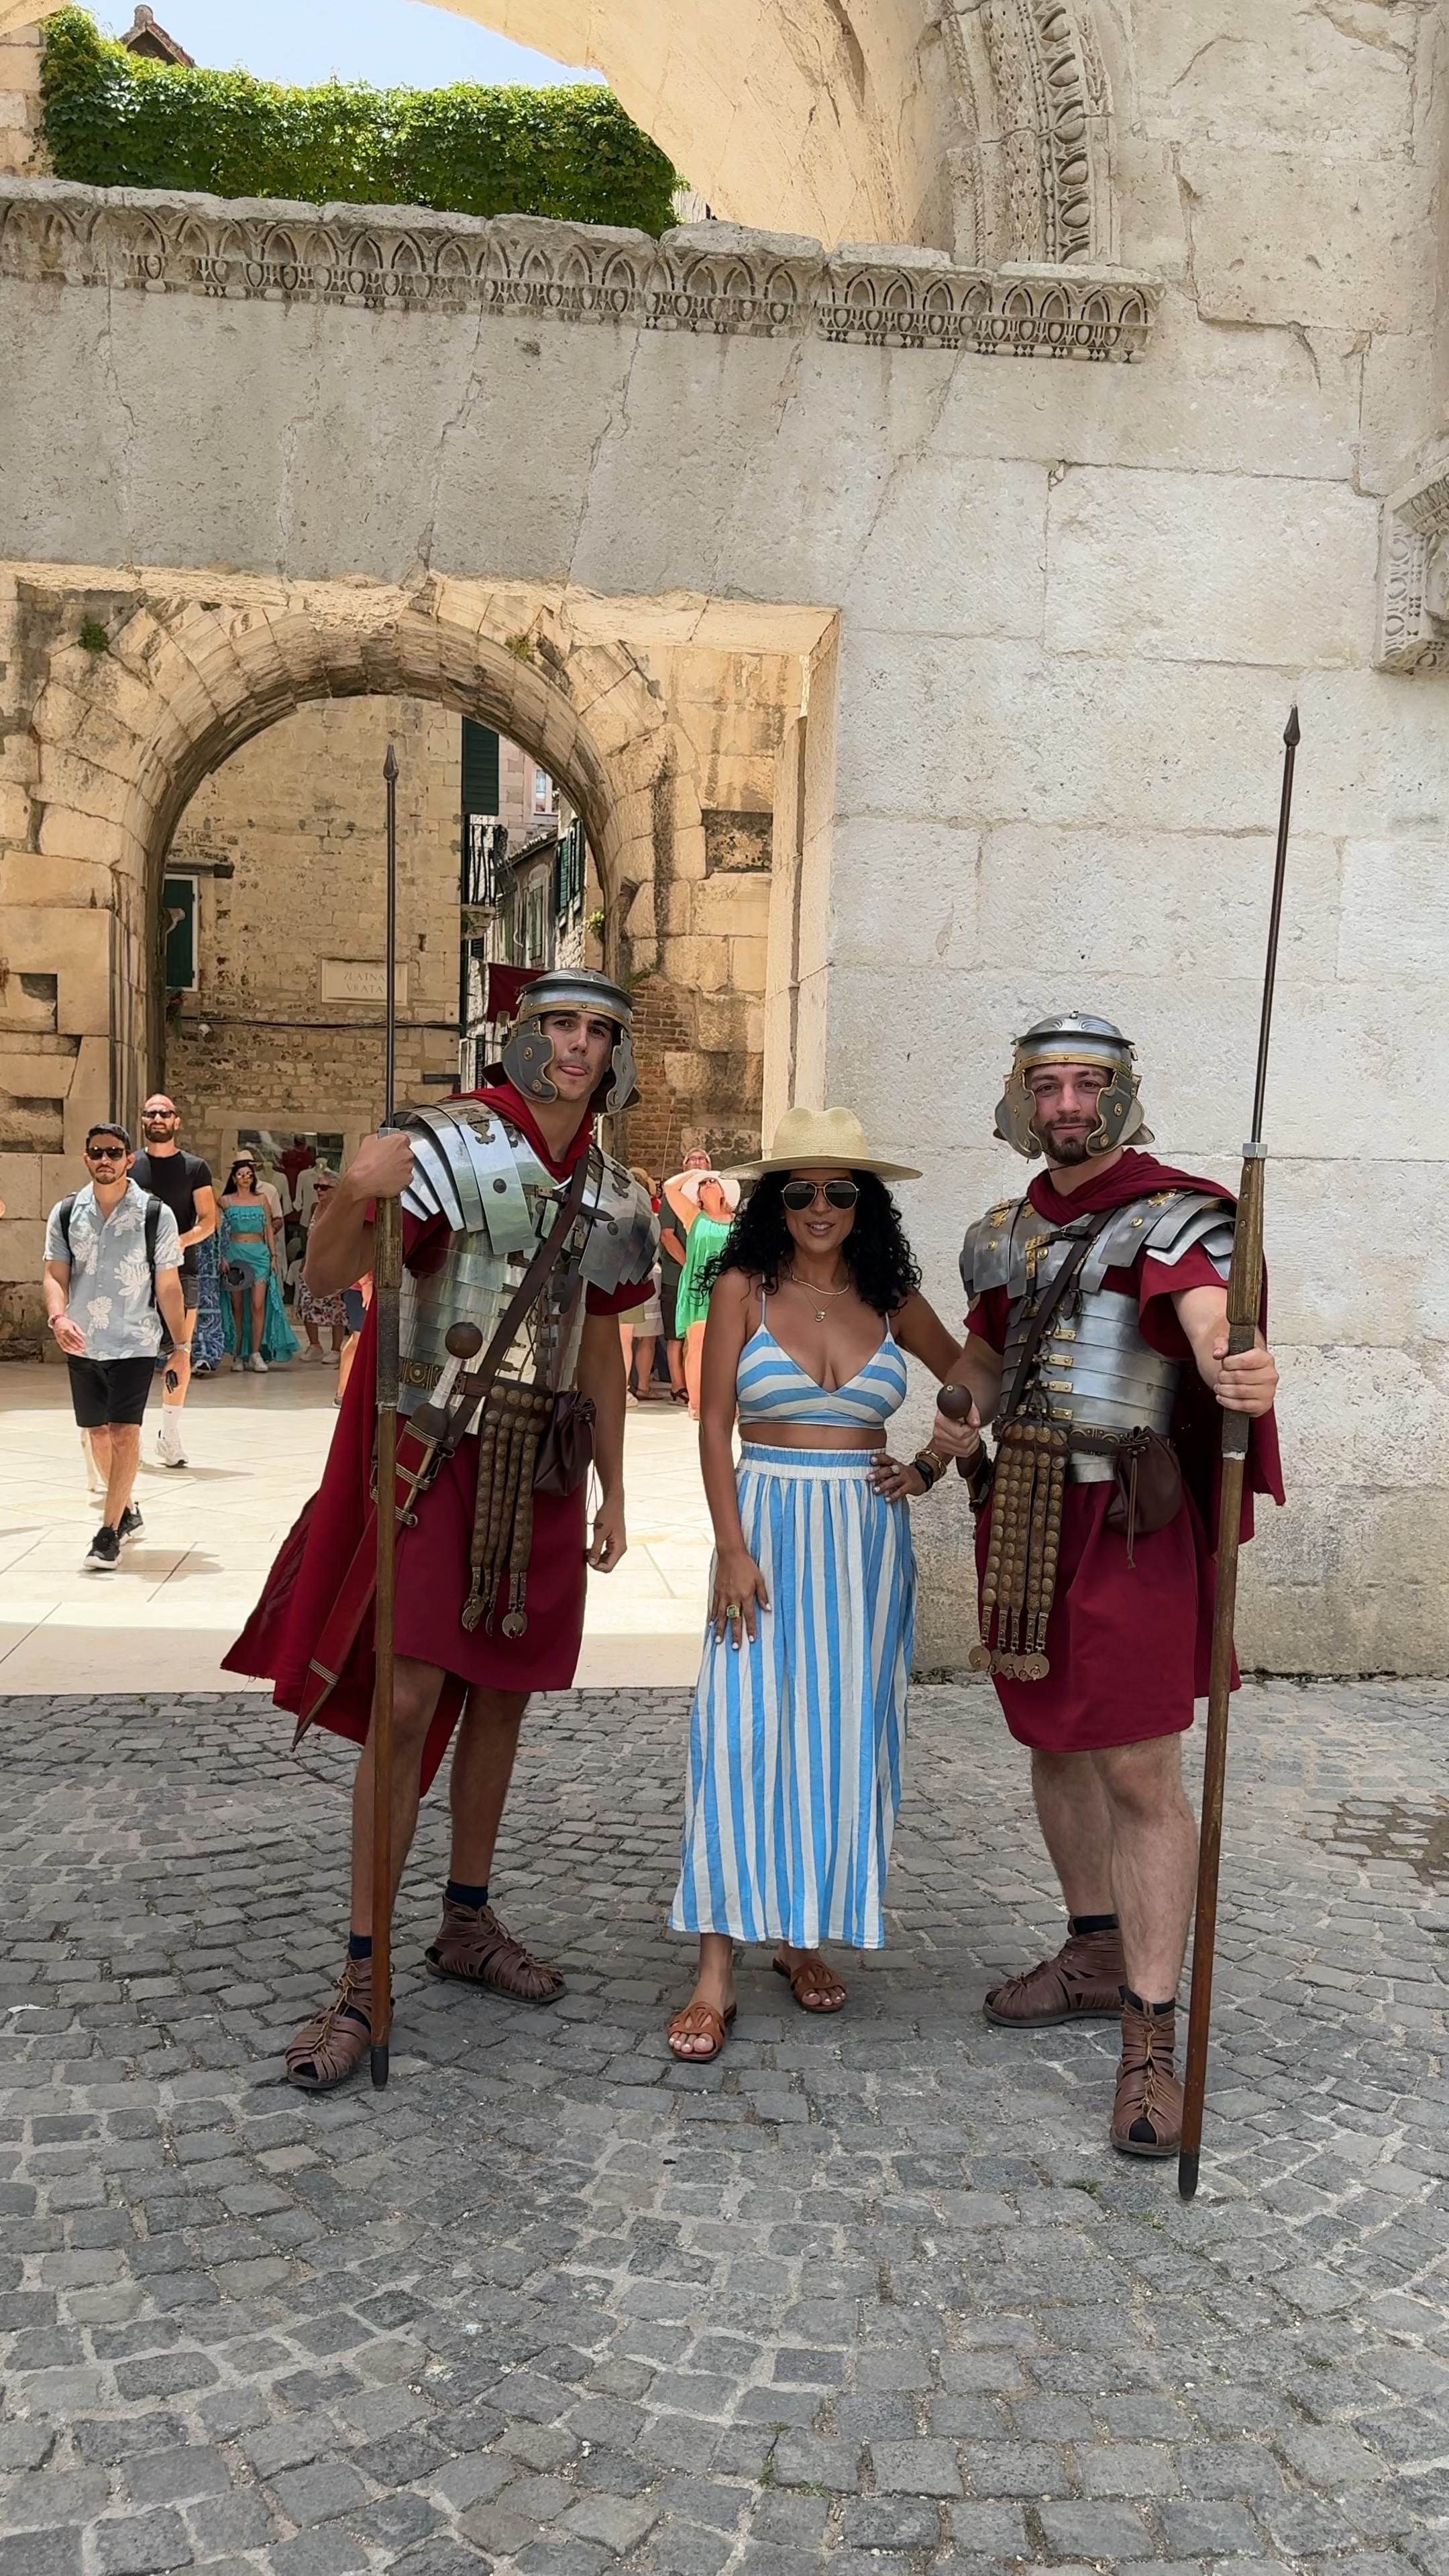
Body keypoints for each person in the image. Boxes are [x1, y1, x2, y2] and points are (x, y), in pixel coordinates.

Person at [225, 969, 658, 2091]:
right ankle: (361, 1974)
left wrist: (617, 1487)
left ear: (617, 1051)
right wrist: (347, 1194)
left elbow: (603, 1345)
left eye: (596, 1029)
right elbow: (326, 1281)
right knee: (410, 1700)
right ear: (522, 1038)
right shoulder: (444, 1145)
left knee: (506, 1693)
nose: (576, 1045)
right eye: (559, 1024)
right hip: (433, 1454)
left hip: (545, 1466)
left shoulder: (616, 1194)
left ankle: (465, 1918)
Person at [927, 1015, 1282, 2160]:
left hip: (1126, 1517)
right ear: (1021, 1099)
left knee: (1137, 1765)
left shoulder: (1174, 1215)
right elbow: (986, 1353)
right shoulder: (1002, 1231)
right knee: (1053, 1735)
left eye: (1089, 1085)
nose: (1068, 1104)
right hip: (1025, 1508)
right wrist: (943, 1437)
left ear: (1123, 1094)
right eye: (1049, 1085)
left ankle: (1151, 2034)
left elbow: (1206, 1319)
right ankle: (1090, 1946)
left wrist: (1242, 1363)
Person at [666, 1106, 965, 2062]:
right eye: (800, 1191)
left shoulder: (891, 1295)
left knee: (842, 1736)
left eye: (841, 1190)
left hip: (867, 1546)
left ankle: (802, 1939)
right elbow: (714, 1424)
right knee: (741, 1732)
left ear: (865, 1201)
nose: (821, 1206)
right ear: (775, 1201)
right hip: (766, 1531)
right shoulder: (745, 1287)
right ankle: (716, 1972)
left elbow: (971, 1377)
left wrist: (931, 1465)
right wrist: (732, 1547)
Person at [43, 1123, 185, 1570]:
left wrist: (180, 1343)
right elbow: (54, 1274)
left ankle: (107, 1534)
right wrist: (58, 1316)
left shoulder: (155, 1214)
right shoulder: (66, 1213)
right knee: (96, 1433)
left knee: (124, 1431)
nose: (106, 1159)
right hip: (82, 1341)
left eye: (115, 1152)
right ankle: (126, 1510)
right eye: (97, 1152)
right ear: (86, 1158)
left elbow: (168, 1285)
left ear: (129, 1159)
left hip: (134, 1339)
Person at [131, 1091, 217, 1468]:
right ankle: (125, 1431)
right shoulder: (129, 1165)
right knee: (129, 1354)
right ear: (144, 1120)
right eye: (152, 1114)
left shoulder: (195, 1168)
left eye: (165, 1113)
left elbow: (208, 1221)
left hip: (182, 1272)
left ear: (176, 1121)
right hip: (132, 1273)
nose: (158, 1119)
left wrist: (177, 1243)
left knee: (180, 1351)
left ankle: (169, 1434)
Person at [667, 1165, 741, 1416]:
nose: (708, 1184)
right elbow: (669, 1187)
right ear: (698, 1194)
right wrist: (696, 1173)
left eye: (713, 1181)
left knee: (733, 1349)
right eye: (704, 1184)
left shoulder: (738, 1223)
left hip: (729, 1290)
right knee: (697, 1345)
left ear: (724, 1192)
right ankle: (696, 1403)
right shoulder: (693, 1216)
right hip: (699, 1288)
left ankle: (731, 1402)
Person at [219, 1157, 297, 1371]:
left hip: (259, 1253)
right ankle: (237, 1354)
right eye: (241, 1175)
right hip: (235, 1252)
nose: (245, 1178)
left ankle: (255, 1353)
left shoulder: (262, 1198)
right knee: (238, 1306)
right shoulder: (225, 1201)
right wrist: (221, 1257)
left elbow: (269, 1230)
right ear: (234, 1178)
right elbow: (220, 1233)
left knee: (258, 1305)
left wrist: (273, 1256)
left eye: (249, 1175)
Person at [658, 1149, 707, 1401]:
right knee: (676, 1333)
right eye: (693, 1159)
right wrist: (690, 1263)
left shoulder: (712, 1200)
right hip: (677, 1275)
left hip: (706, 1279)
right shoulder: (672, 1200)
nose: (697, 1162)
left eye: (702, 1159)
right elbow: (667, 1235)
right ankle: (679, 1385)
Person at [294, 1170, 347, 1361]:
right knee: (307, 1304)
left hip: (334, 1265)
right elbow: (308, 1238)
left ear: (336, 1189)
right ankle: (314, 1344)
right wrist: (305, 1261)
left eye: (325, 1187)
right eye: (317, 1186)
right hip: (312, 1266)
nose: (320, 1190)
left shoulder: (342, 1211)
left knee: (337, 1307)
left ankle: (335, 1349)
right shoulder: (314, 1208)